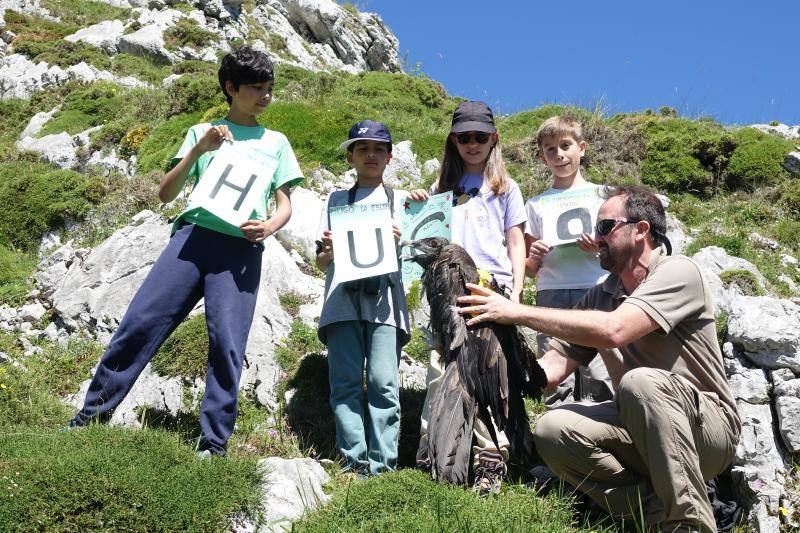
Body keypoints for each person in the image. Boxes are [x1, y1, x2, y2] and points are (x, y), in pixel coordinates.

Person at [459, 185, 741, 532]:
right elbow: (547, 373)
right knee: (552, 430)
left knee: (640, 382)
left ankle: (689, 523)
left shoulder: (678, 272)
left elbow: (614, 330)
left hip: (708, 432)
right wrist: (490, 358)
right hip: (640, 424)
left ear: (641, 230)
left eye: (606, 227)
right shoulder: (602, 294)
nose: (596, 237)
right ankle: (654, 513)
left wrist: (517, 312)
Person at [66, 46, 303, 457]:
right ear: (231, 88)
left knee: (228, 344)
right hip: (191, 240)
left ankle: (213, 445)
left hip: (241, 251)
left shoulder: (277, 142)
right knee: (140, 324)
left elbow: (284, 204)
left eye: (270, 88)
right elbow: (165, 193)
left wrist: (268, 226)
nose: (266, 96)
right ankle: (89, 419)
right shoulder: (202, 131)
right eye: (256, 89)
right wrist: (198, 150)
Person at [409, 101, 527, 495]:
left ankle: (491, 458)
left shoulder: (506, 188)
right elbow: (418, 235)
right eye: (464, 137)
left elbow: (515, 242)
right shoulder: (441, 189)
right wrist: (417, 204)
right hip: (446, 291)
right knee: (441, 366)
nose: (472, 144)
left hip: (489, 289)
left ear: (493, 139)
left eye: (480, 137)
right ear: (453, 141)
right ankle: (433, 453)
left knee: (487, 375)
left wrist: (517, 292)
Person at [315, 120, 409, 477]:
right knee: (346, 383)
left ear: (389, 157)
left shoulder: (403, 201)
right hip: (341, 303)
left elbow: (420, 255)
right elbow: (320, 260)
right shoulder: (336, 200)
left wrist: (403, 239)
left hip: (387, 305)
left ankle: (383, 467)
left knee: (384, 382)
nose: (371, 155)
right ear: (350, 156)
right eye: (363, 149)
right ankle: (354, 463)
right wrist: (329, 250)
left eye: (379, 149)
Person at [525, 116, 613, 403]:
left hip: (597, 290)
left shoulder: (603, 196)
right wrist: (534, 257)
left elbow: (616, 253)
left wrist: (599, 249)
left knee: (601, 374)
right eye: (550, 149)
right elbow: (527, 270)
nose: (559, 154)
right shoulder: (534, 204)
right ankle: (559, 441)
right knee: (555, 378)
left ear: (582, 148)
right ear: (542, 157)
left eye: (565, 145)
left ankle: (604, 440)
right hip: (551, 295)